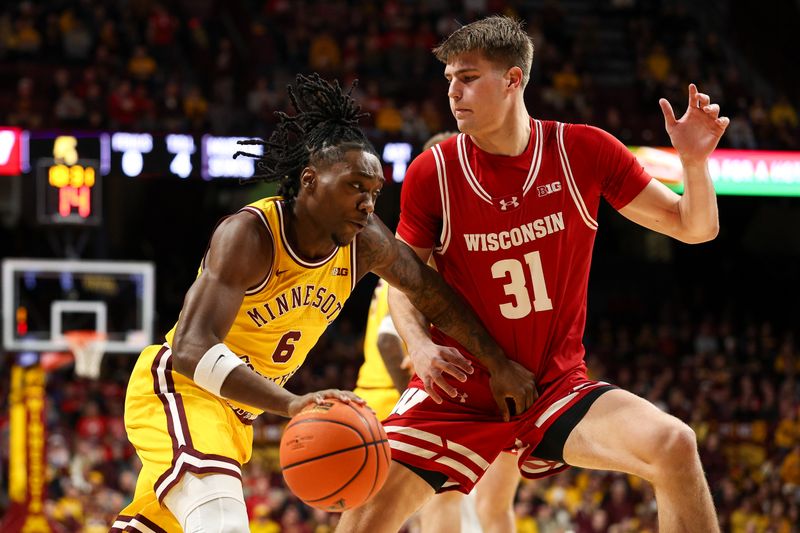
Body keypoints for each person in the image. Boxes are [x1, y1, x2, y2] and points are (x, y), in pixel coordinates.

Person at [339, 15, 728, 533]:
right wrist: (424, 348)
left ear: (514, 79)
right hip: (458, 395)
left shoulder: (584, 151)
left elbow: (694, 228)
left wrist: (695, 165)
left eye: (469, 77)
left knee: (675, 444)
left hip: (553, 386)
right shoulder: (436, 171)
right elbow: (405, 280)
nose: (453, 92)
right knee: (362, 520)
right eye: (449, 79)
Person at [112, 73, 534, 532]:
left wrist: (498, 361)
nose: (368, 204)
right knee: (222, 522)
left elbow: (432, 295)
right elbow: (191, 349)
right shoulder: (251, 235)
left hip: (236, 414)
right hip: (182, 389)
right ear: (310, 180)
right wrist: (293, 404)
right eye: (355, 186)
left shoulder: (364, 242)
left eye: (374, 193)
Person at [354, 130, 521, 533]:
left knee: (491, 507)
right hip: (400, 402)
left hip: (483, 393)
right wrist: (423, 413)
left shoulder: (474, 250)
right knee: (448, 503)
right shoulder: (414, 262)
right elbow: (389, 339)